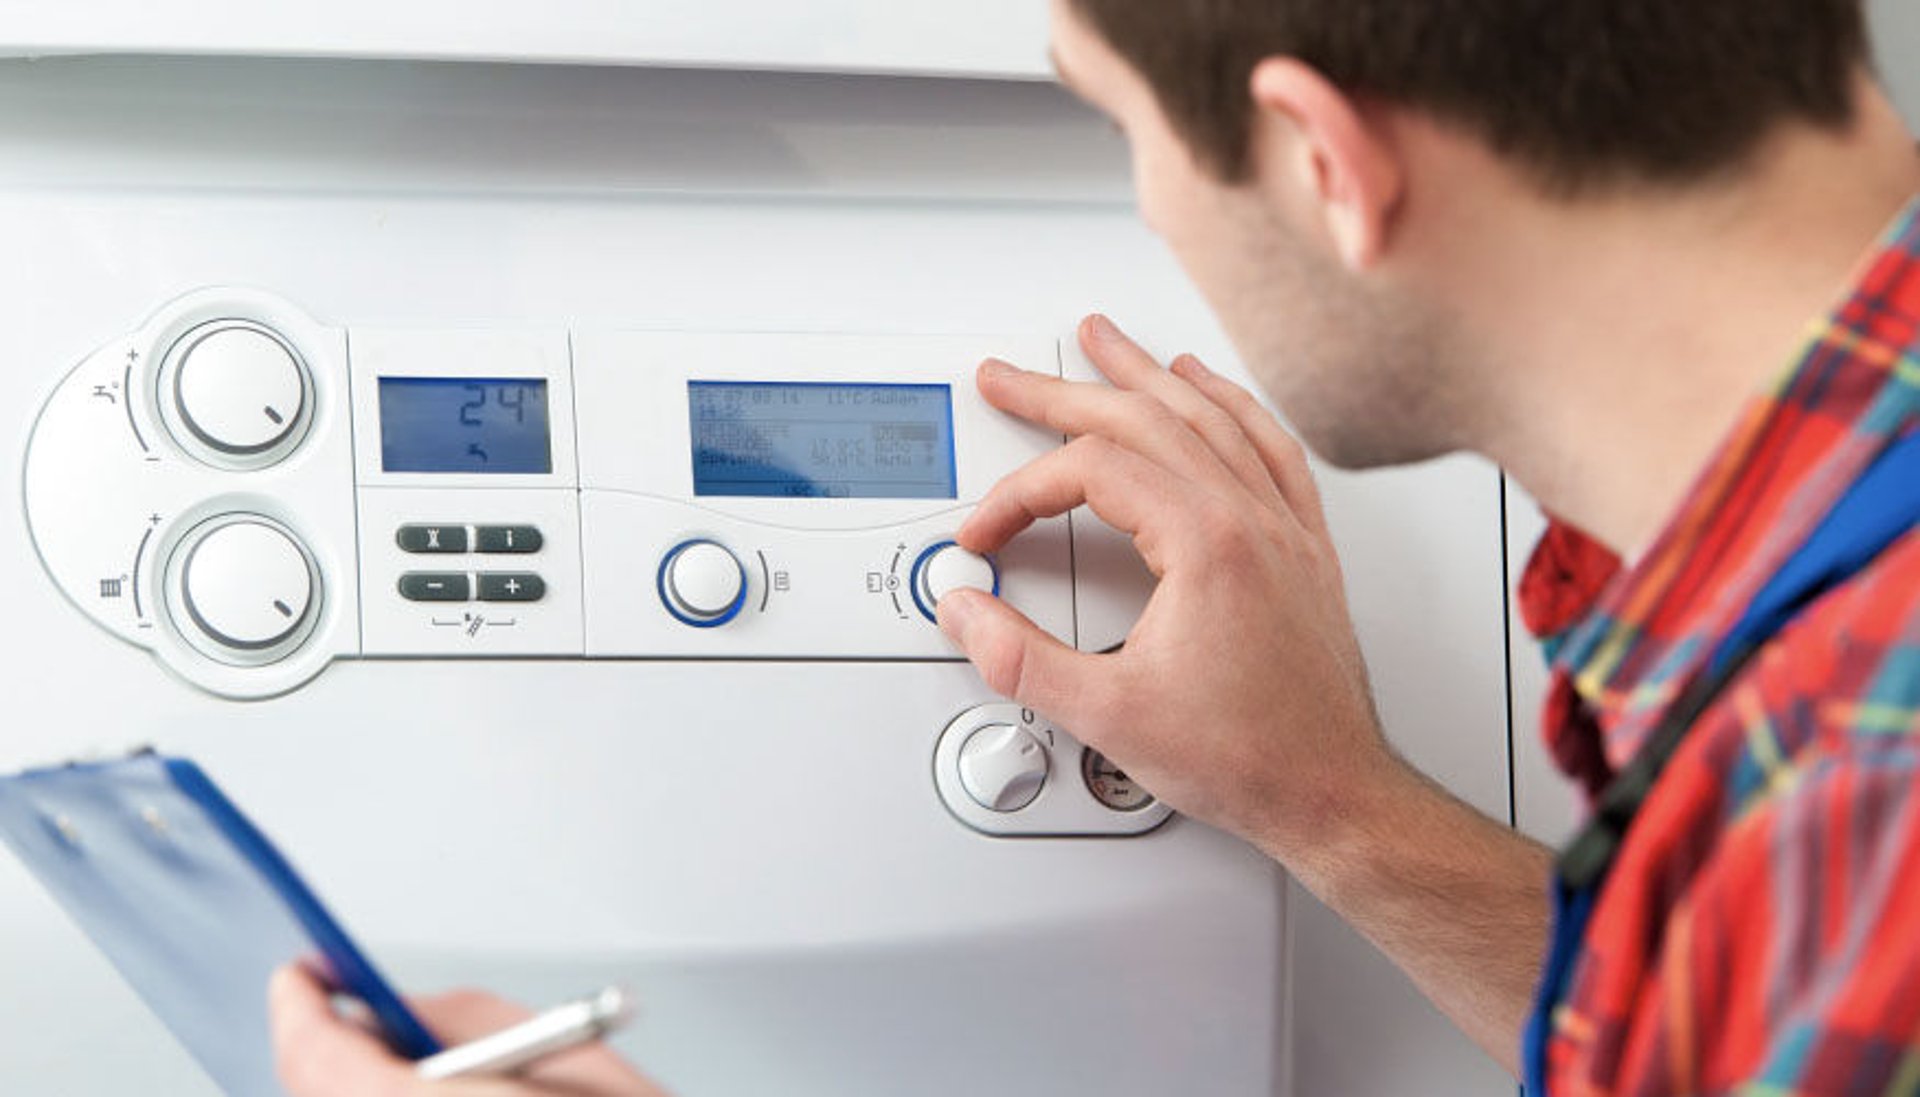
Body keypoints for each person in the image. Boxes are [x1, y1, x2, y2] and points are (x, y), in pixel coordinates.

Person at [272, 0, 1920, 1093]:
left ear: (1325, 163)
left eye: (1119, 130)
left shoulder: (1847, 768)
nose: (1150, 209)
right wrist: (1325, 797)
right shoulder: (1818, 713)